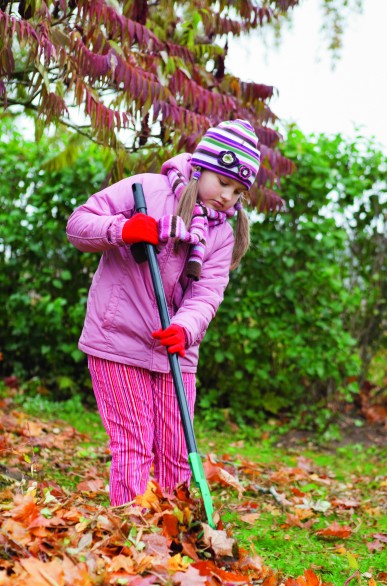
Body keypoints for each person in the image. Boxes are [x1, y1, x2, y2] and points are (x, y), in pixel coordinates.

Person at [67, 119, 261, 506]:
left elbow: (207, 292)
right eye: (223, 182)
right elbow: (79, 225)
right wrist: (124, 229)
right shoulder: (149, 190)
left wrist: (185, 327)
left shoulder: (222, 232)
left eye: (238, 190)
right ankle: (134, 532)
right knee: (134, 444)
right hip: (118, 340)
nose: (228, 196)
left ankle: (177, 533)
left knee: (176, 451)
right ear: (202, 165)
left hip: (177, 348)